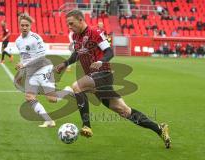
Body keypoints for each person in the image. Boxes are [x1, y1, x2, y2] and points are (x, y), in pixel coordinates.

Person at [55, 10, 171, 148]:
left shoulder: (95, 32)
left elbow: (109, 52)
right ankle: (159, 129)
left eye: (71, 23)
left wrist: (101, 61)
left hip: (103, 74)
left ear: (81, 20)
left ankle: (86, 125)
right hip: (93, 79)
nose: (69, 27)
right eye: (68, 24)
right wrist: (65, 63)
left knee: (76, 86)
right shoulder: (75, 36)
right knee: (124, 111)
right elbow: (76, 53)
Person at [15, 13, 72, 128]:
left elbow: (41, 57)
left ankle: (68, 91)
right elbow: (23, 58)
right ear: (19, 26)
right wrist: (21, 73)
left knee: (52, 99)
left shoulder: (36, 38)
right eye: (22, 25)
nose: (24, 27)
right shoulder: (18, 41)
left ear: (30, 26)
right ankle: (49, 120)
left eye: (27, 25)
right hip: (31, 73)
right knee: (29, 97)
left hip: (43, 70)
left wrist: (24, 64)